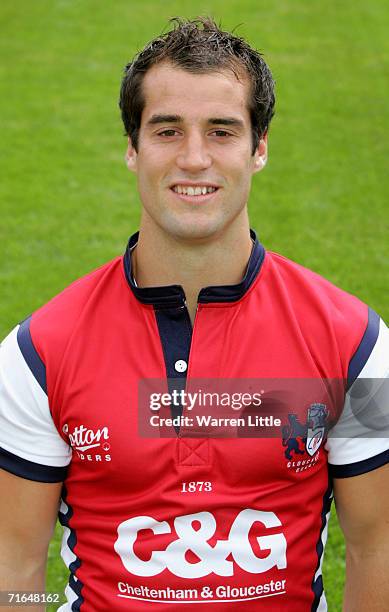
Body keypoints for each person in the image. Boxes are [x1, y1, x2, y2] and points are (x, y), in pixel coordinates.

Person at [0, 16, 388, 612]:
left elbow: (376, 547)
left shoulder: (357, 343)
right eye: (167, 131)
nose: (195, 158)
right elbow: (17, 567)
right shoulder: (36, 355)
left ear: (258, 149)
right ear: (132, 148)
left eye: (222, 131)